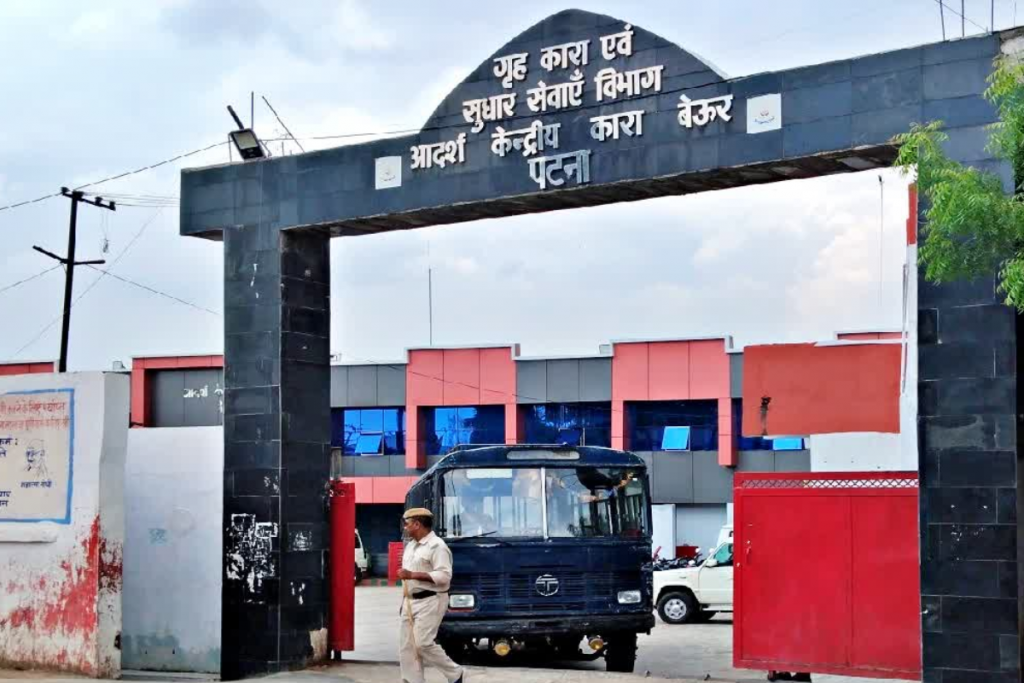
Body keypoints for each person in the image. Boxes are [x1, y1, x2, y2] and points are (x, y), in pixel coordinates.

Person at [396, 507, 465, 683]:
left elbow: (444, 576)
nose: (405, 527)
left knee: (423, 643)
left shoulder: (437, 546)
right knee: (407, 647)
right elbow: (407, 579)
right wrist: (404, 601)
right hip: (410, 601)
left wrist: (412, 575)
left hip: (431, 599)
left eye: (407, 524)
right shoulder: (411, 546)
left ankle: (454, 673)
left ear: (417, 524)